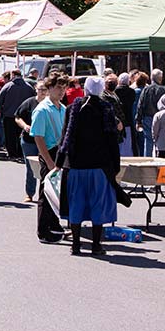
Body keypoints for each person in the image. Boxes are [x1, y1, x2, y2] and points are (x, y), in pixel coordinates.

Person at [57, 77, 120, 256]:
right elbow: (111, 139)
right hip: (99, 166)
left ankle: (75, 245)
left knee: (76, 204)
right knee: (97, 204)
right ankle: (96, 245)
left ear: (85, 89)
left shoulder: (72, 108)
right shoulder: (106, 109)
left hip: (76, 165)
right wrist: (115, 164)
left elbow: (65, 137)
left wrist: (59, 162)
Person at [30, 75, 67, 243]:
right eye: (58, 87)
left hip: (60, 152)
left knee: (57, 192)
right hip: (49, 152)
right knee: (46, 192)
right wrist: (50, 162)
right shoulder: (42, 109)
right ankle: (43, 230)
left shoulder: (63, 108)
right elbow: (38, 137)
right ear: (49, 88)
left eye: (64, 88)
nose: (62, 91)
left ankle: (54, 223)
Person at [13, 80, 47, 202]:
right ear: (35, 89)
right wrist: (25, 126)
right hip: (29, 140)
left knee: (46, 167)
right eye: (40, 89)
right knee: (31, 168)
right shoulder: (29, 102)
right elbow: (17, 117)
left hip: (46, 140)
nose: (42, 92)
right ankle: (29, 193)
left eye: (44, 89)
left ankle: (46, 194)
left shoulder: (51, 104)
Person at [135, 69, 165, 156]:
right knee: (160, 141)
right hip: (160, 118)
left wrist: (138, 120)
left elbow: (140, 105)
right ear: (160, 78)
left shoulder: (146, 90)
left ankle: (147, 159)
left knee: (148, 141)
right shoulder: (163, 90)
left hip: (147, 118)